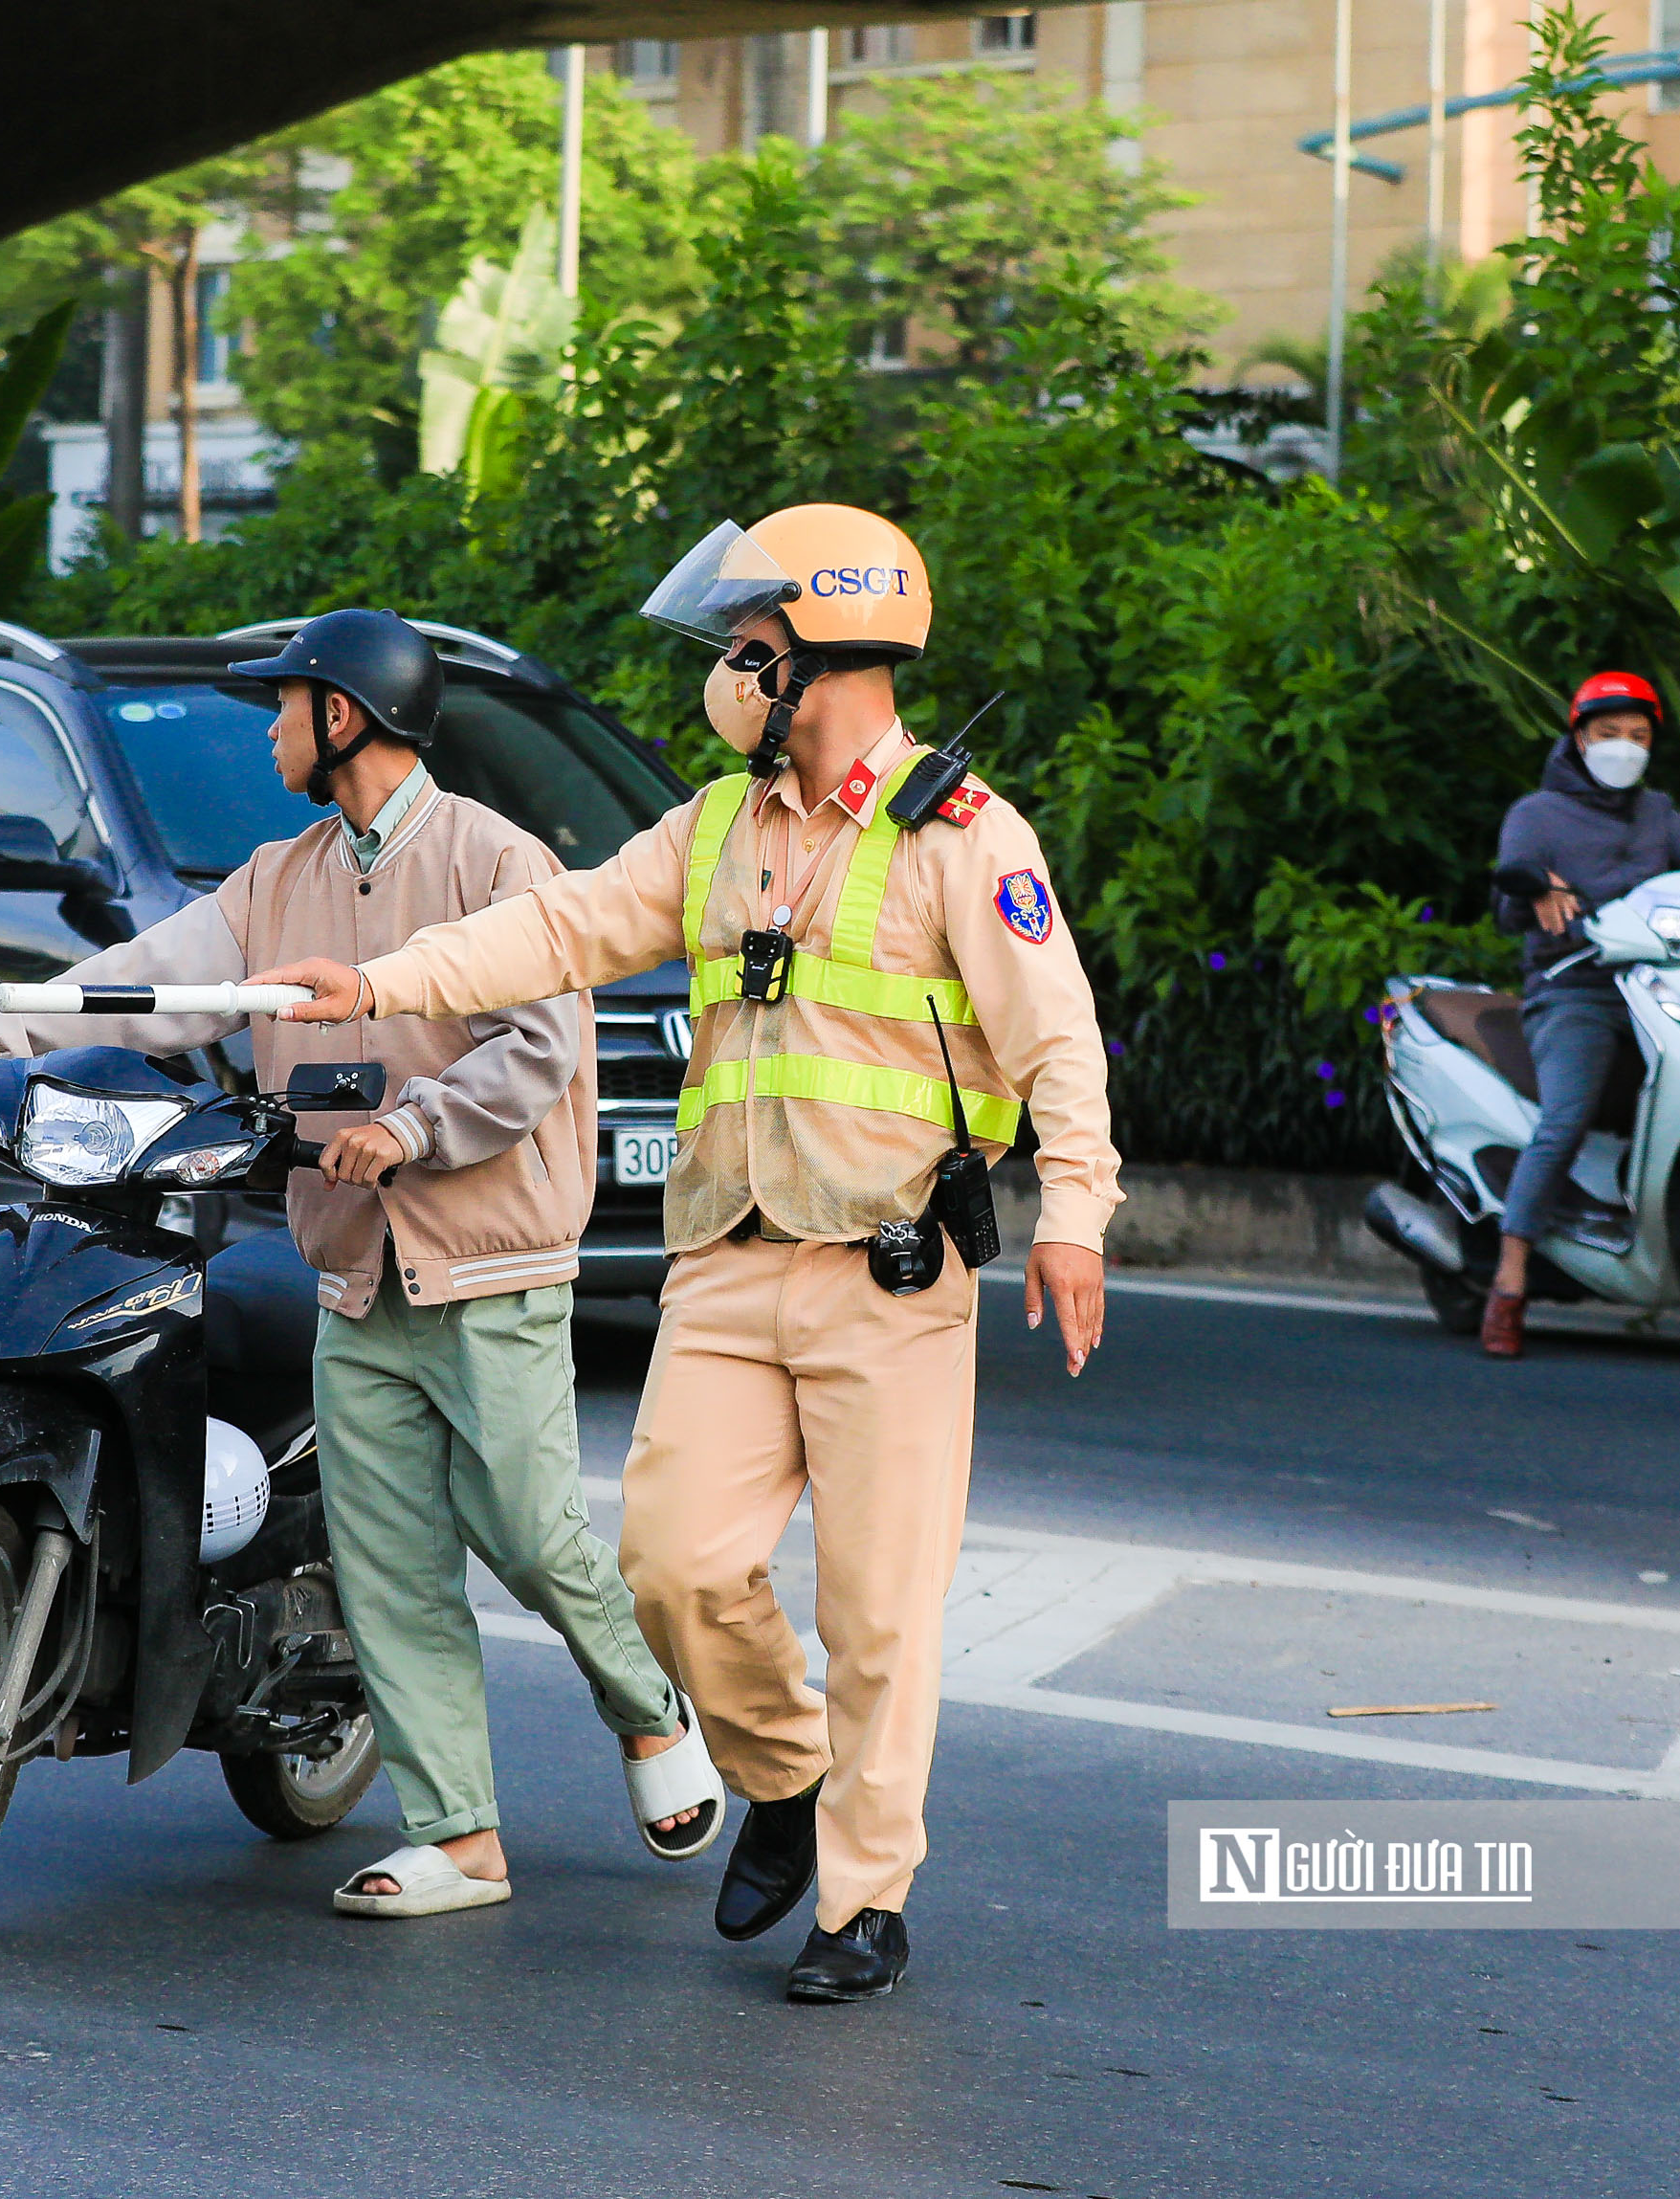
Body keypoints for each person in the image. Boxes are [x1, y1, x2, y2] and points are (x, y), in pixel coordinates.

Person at [251, 507, 1121, 2002]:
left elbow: (1057, 1035)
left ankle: (862, 1896)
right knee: (667, 1562)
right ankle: (778, 1775)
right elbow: (555, 928)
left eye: (743, 647)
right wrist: (378, 980)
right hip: (722, 1263)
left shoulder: (959, 837)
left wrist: (1075, 1217)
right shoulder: (712, 825)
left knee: (875, 1606)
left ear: (813, 655)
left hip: (885, 1273)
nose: (725, 674)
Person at [0, 608, 724, 1918]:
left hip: (485, 1260)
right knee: (387, 1556)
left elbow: (537, 1047)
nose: (268, 728)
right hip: (350, 1265)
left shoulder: (500, 863)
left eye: (283, 707)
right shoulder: (277, 878)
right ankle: (461, 1836)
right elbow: (148, 982)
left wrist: (409, 1124)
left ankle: (644, 1701)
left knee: (527, 1529)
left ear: (344, 717)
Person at [1483, 672, 1680, 1357]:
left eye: (1638, 736)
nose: (1623, 746)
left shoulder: (1657, 813)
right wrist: (1534, 887)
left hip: (1665, 987)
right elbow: (1509, 894)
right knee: (1565, 1117)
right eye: (1608, 734)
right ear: (1578, 737)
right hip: (1575, 993)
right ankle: (1508, 1282)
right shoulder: (1535, 813)